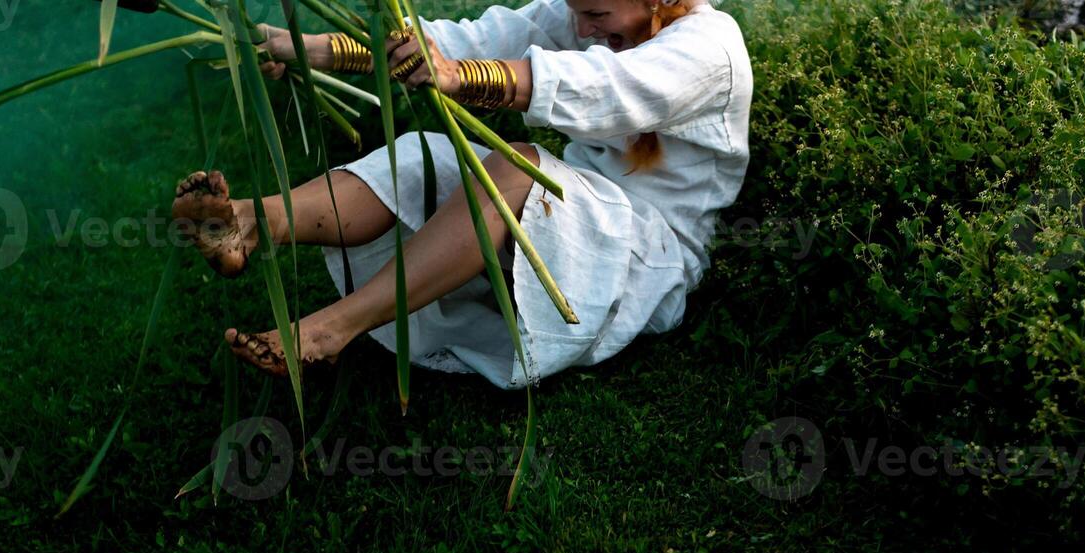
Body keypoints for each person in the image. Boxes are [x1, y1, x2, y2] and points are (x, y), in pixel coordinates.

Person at [170, 0, 752, 388]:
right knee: (429, 154)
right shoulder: (590, 14)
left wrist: (458, 77)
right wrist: (305, 47)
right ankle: (252, 221)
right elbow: (463, 42)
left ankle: (329, 330)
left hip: (643, 264)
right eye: (577, 12)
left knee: (518, 166)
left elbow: (608, 89)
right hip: (570, 225)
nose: (583, 29)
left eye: (596, 13)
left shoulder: (711, 49)